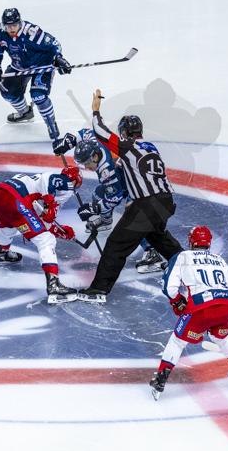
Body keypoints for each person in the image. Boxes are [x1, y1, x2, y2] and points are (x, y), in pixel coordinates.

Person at [77, 89, 184, 303]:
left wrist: (95, 110)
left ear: (124, 132)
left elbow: (100, 131)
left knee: (116, 245)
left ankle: (99, 289)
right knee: (161, 241)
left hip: (146, 205)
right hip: (165, 202)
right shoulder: (150, 148)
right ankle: (192, 267)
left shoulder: (128, 147)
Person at [149, 226, 228, 400]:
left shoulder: (183, 256)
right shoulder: (220, 260)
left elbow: (169, 287)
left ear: (191, 241)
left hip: (200, 308)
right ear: (209, 242)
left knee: (177, 341)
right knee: (222, 337)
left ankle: (160, 379)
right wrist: (223, 310)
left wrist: (177, 302)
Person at [52, 130, 168, 273]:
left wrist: (94, 208)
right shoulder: (95, 143)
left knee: (134, 216)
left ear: (95, 156)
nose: (87, 168)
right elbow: (86, 132)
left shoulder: (107, 171)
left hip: (140, 184)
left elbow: (114, 198)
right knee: (98, 193)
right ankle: (106, 220)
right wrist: (68, 142)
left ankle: (152, 252)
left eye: (88, 163)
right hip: (128, 176)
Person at [0, 167, 82, 304]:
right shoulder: (66, 184)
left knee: (9, 226)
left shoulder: (35, 183)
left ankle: (2, 252)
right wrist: (50, 203)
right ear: (75, 181)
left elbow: (41, 221)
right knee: (46, 240)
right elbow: (49, 180)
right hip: (16, 200)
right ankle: (54, 285)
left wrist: (60, 231)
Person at [0, 8, 73, 146]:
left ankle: (51, 124)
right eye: (8, 26)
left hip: (41, 66)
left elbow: (54, 43)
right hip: (19, 65)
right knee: (7, 92)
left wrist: (58, 58)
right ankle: (25, 113)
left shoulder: (31, 32)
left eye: (14, 25)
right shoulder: (0, 33)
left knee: (38, 96)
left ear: (20, 23)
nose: (11, 29)